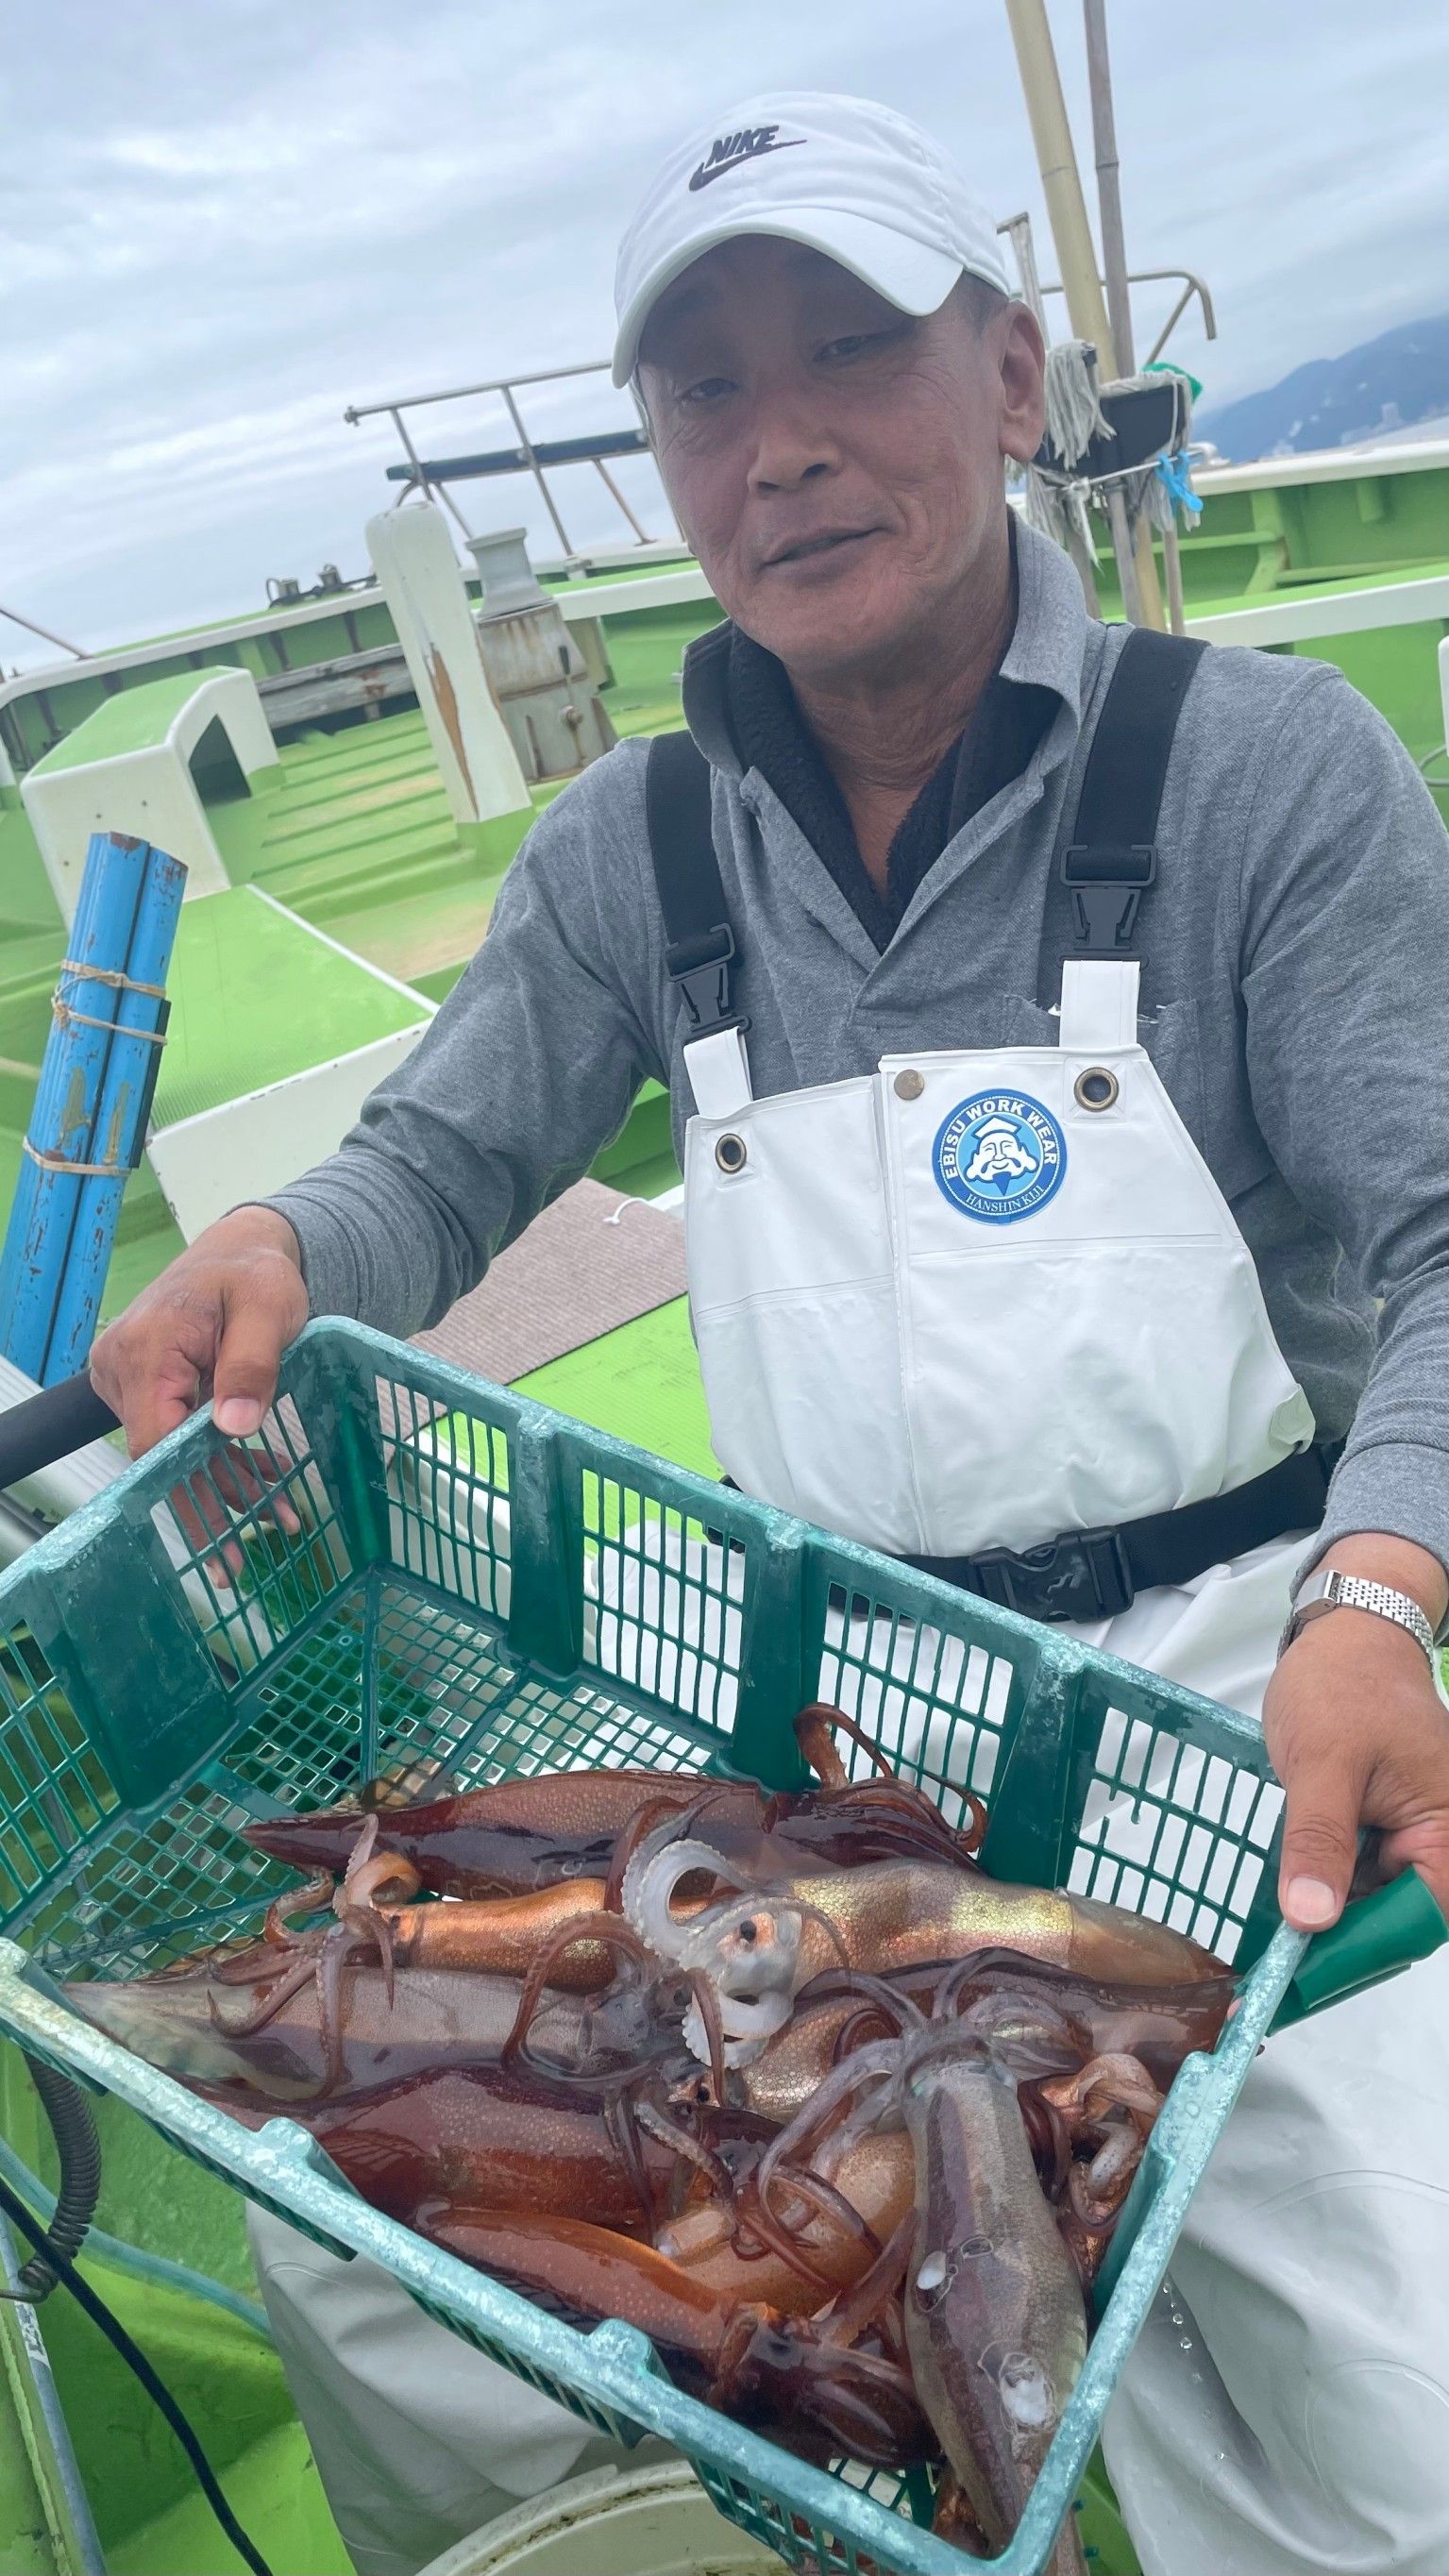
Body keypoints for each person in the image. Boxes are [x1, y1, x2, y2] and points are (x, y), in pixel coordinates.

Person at [92, 90, 1449, 2576]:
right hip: (826, 1750)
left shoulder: (1272, 777)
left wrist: (1380, 1593)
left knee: (1397, 2431)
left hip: (1240, 1695)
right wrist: (280, 1242)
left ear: (1012, 377)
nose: (780, 444)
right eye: (705, 391)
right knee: (375, 2248)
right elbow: (433, 1164)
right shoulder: (631, 846)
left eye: (850, 350)